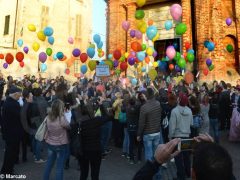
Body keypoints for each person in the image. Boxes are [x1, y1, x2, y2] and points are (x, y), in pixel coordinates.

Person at [133, 134, 235, 180]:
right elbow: (225, 173)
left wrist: (156, 162)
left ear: (193, 174)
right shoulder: (226, 174)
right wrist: (214, 149)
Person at [78, 96, 110, 180]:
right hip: (95, 150)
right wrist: (101, 105)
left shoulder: (80, 122)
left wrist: (81, 101)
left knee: (83, 174)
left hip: (83, 150)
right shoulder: (96, 121)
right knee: (95, 175)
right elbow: (108, 117)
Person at [43, 99, 70, 180]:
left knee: (49, 164)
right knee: (59, 167)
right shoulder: (62, 118)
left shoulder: (48, 116)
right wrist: (66, 114)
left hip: (50, 143)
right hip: (60, 144)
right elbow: (68, 126)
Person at [169, 93, 192, 180]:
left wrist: (170, 137)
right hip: (187, 136)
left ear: (179, 100)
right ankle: (188, 173)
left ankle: (181, 176)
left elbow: (172, 126)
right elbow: (191, 123)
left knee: (178, 158)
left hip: (177, 137)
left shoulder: (174, 111)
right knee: (186, 157)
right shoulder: (189, 111)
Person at [1, 86, 23, 175]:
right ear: (15, 94)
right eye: (19, 94)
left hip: (9, 132)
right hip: (12, 133)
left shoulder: (8, 102)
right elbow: (20, 116)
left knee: (10, 153)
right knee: (10, 154)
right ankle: (6, 172)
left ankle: (8, 170)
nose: (20, 96)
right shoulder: (13, 104)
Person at [137, 87, 162, 161]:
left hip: (148, 133)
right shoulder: (158, 103)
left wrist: (139, 134)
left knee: (148, 153)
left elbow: (141, 122)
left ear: (147, 95)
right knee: (156, 154)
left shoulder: (144, 107)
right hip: (157, 132)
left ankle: (149, 171)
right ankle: (156, 171)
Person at [126, 97, 140, 164]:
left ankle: (131, 158)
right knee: (138, 143)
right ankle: (139, 158)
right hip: (136, 127)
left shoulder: (127, 108)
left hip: (130, 127)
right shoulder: (137, 108)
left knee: (131, 143)